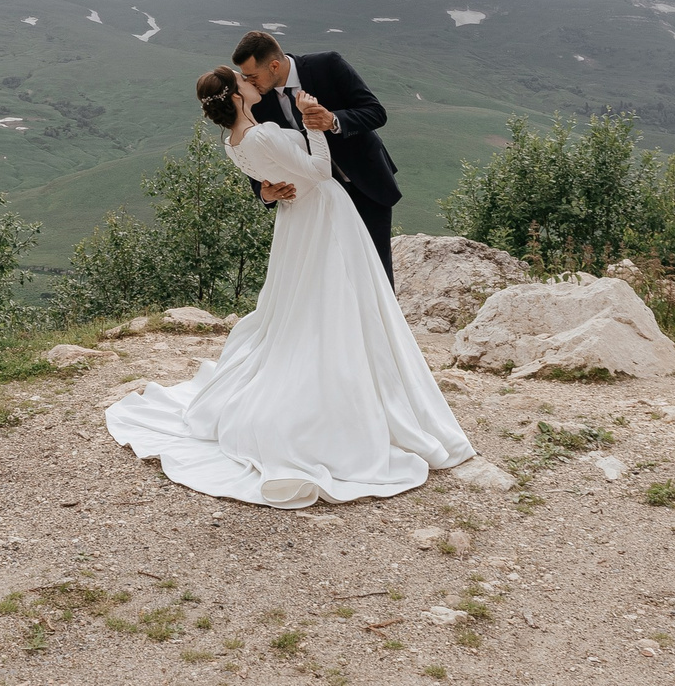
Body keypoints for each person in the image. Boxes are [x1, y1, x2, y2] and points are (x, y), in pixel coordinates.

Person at [103, 64, 474, 508]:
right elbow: (319, 171)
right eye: (242, 82)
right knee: (335, 296)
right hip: (324, 213)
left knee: (304, 301)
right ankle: (348, 381)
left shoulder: (233, 142)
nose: (251, 83)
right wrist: (312, 120)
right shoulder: (261, 134)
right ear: (236, 96)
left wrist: (269, 191)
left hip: (296, 222)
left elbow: (269, 177)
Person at [230, 30, 400, 282]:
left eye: (252, 76)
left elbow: (376, 112)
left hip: (365, 184)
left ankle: (383, 322)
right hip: (316, 201)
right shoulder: (258, 100)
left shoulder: (327, 65)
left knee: (375, 267)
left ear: (274, 65)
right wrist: (263, 192)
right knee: (330, 274)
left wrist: (333, 120)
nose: (249, 82)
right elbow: (257, 149)